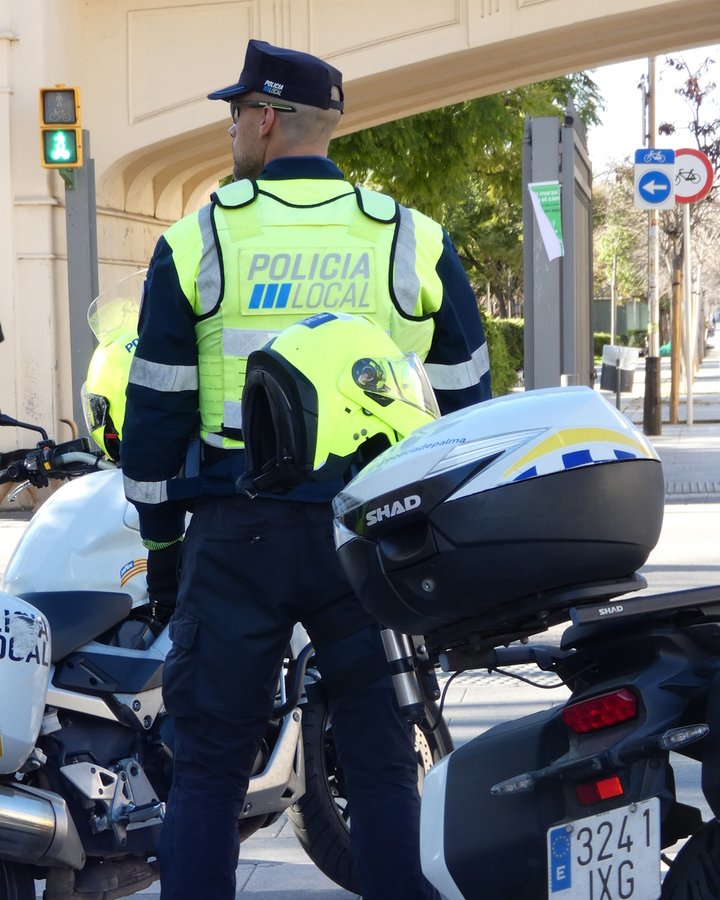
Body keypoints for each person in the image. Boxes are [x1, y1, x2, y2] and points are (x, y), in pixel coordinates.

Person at [121, 38, 491, 900]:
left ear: (266, 118)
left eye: (235, 113)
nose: (231, 128)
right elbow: (468, 401)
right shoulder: (412, 237)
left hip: (237, 529)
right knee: (378, 761)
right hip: (372, 529)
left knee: (209, 763)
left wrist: (165, 558)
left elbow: (154, 419)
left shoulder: (200, 237)